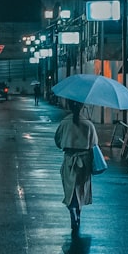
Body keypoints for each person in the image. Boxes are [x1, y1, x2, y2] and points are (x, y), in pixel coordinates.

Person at [53, 99, 98, 232]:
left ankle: (72, 210)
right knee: (80, 189)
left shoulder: (65, 122)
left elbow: (58, 140)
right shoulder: (88, 124)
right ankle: (78, 211)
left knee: (69, 189)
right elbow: (94, 143)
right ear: (83, 107)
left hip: (69, 160)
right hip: (84, 162)